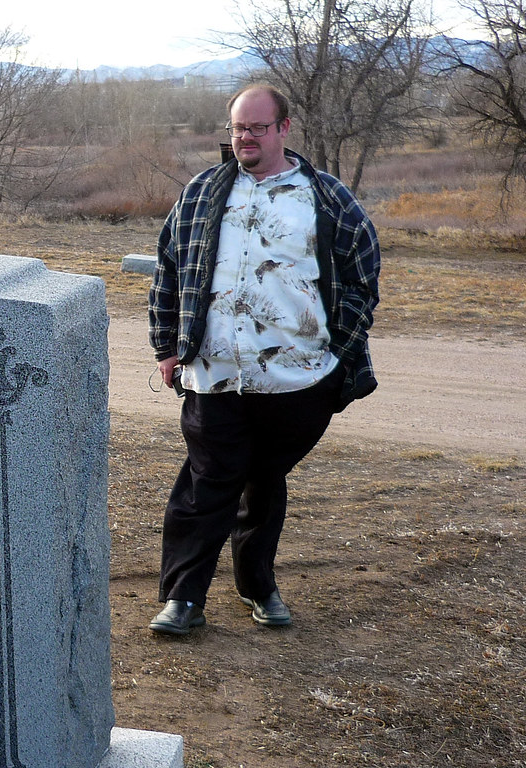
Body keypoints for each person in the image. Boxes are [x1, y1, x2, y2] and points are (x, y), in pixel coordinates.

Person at [147, 83, 380, 635]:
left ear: (283, 128)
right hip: (215, 370)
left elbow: (361, 277)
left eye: (256, 127)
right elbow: (169, 268)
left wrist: (333, 348)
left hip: (297, 380)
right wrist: (166, 345)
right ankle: (183, 599)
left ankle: (257, 586)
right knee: (210, 477)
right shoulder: (204, 191)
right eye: (237, 128)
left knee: (263, 478)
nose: (245, 137)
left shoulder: (325, 197)